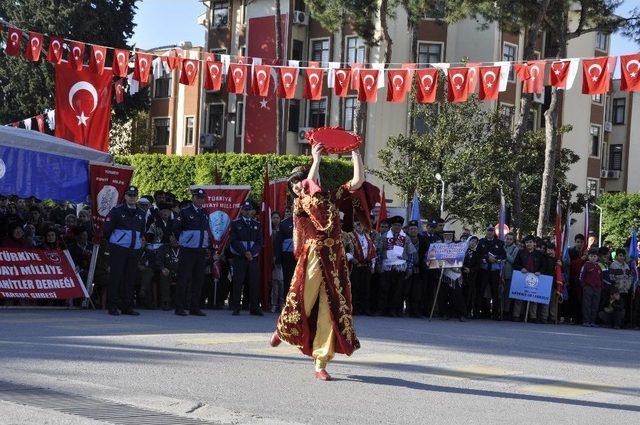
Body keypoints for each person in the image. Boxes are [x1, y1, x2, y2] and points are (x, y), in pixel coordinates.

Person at [270, 143, 370, 381]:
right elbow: (308, 187)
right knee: (304, 299)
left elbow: (357, 182)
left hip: (334, 258)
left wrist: (356, 152)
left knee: (330, 308)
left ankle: (320, 361)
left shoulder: (330, 197)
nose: (296, 185)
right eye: (293, 183)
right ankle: (283, 328)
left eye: (299, 180)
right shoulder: (301, 202)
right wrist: (315, 159)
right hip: (313, 254)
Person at [103, 185, 146, 316]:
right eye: (130, 195)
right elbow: (107, 229)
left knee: (130, 278)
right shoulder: (117, 210)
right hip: (119, 249)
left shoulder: (141, 213)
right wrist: (115, 243)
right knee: (116, 278)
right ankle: (113, 306)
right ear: (125, 196)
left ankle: (127, 306)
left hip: (134, 250)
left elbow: (141, 231)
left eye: (134, 195)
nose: (132, 198)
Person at [173, 188, 210, 316]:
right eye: (198, 197)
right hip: (187, 250)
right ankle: (179, 307)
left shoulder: (205, 212)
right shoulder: (185, 212)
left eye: (202, 198)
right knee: (184, 279)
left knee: (198, 280)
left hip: (200, 250)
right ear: (193, 198)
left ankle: (194, 307)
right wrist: (185, 240)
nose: (200, 200)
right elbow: (176, 228)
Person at [229, 201, 263, 316]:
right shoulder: (235, 224)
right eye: (246, 209)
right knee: (238, 282)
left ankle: (254, 307)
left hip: (252, 258)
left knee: (254, 282)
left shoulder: (257, 224)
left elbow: (259, 242)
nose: (248, 212)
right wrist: (245, 252)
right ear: (242, 210)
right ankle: (236, 307)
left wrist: (251, 253)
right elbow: (233, 241)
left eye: (250, 210)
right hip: (240, 257)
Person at [378, 216, 415, 317]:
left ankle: (395, 311)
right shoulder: (384, 236)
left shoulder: (406, 238)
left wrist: (410, 268)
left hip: (400, 267)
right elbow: (379, 252)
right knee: (384, 289)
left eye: (399, 225)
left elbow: (411, 254)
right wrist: (379, 265)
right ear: (391, 226)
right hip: (387, 267)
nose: (397, 227)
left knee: (398, 290)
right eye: (395, 225)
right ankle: (383, 310)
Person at [477, 224, 506, 320]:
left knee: (495, 293)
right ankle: (479, 312)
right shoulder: (481, 242)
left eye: (492, 230)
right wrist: (487, 258)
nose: (490, 232)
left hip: (494, 271)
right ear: (486, 231)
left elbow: (503, 256)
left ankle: (495, 314)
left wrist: (495, 259)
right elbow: (478, 254)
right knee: (481, 291)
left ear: (494, 231)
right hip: (484, 270)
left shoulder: (500, 243)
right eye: (488, 230)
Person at [512, 235, 543, 322]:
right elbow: (515, 264)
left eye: (530, 242)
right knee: (519, 297)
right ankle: (516, 315)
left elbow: (543, 266)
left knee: (533, 298)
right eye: (527, 242)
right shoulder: (520, 252)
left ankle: (533, 317)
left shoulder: (539, 254)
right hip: (522, 277)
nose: (528, 244)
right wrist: (521, 268)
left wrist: (540, 271)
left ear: (534, 243)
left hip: (534, 278)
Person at [349, 219, 377, 316]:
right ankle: (355, 308)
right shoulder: (350, 236)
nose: (359, 226)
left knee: (366, 288)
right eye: (357, 224)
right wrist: (352, 258)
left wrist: (373, 266)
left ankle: (365, 308)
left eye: (361, 224)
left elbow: (373, 252)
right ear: (354, 225)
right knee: (355, 287)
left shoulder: (368, 237)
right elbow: (345, 250)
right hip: (356, 265)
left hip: (367, 266)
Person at [565, 234, 587, 324]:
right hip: (572, 278)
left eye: (581, 242)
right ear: (575, 242)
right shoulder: (570, 251)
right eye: (578, 242)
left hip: (582, 280)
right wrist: (581, 259)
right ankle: (569, 317)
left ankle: (578, 318)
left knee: (580, 299)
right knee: (571, 298)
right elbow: (569, 264)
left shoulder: (586, 253)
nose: (579, 244)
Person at [580, 248, 603, 327]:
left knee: (595, 304)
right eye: (591, 256)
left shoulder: (599, 266)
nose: (593, 258)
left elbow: (601, 277)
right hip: (588, 287)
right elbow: (581, 276)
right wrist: (584, 286)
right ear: (588, 257)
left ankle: (592, 321)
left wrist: (600, 286)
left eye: (595, 256)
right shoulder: (586, 265)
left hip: (597, 288)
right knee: (587, 304)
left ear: (597, 257)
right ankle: (586, 321)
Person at [157, 235, 181, 311]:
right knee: (164, 275)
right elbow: (158, 260)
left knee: (188, 276)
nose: (175, 240)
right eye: (173, 237)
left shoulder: (184, 248)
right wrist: (162, 268)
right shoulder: (164, 248)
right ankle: (166, 302)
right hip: (168, 270)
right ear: (170, 238)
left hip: (181, 271)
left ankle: (185, 303)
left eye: (176, 238)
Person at [463, 236, 481, 319]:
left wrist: (470, 270)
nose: (473, 243)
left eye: (475, 242)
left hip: (471, 277)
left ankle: (468, 311)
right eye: (472, 241)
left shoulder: (477, 253)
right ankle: (460, 311)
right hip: (461, 275)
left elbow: (478, 266)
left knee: (470, 295)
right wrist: (463, 268)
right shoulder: (463, 251)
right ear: (468, 241)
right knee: (461, 293)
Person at [271, 211, 285, 312]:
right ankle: (273, 304)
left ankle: (280, 304)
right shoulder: (268, 230)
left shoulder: (283, 229)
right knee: (274, 283)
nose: (276, 220)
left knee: (280, 282)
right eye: (274, 218)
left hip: (280, 258)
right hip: (269, 258)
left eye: (277, 218)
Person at [503, 233, 519, 317]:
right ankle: (499, 310)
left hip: (509, 274)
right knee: (500, 293)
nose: (508, 240)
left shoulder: (515, 249)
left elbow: (513, 260)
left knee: (507, 295)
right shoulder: (501, 246)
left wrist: (505, 253)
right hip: (500, 274)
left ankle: (506, 311)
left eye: (510, 239)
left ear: (513, 240)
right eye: (507, 238)